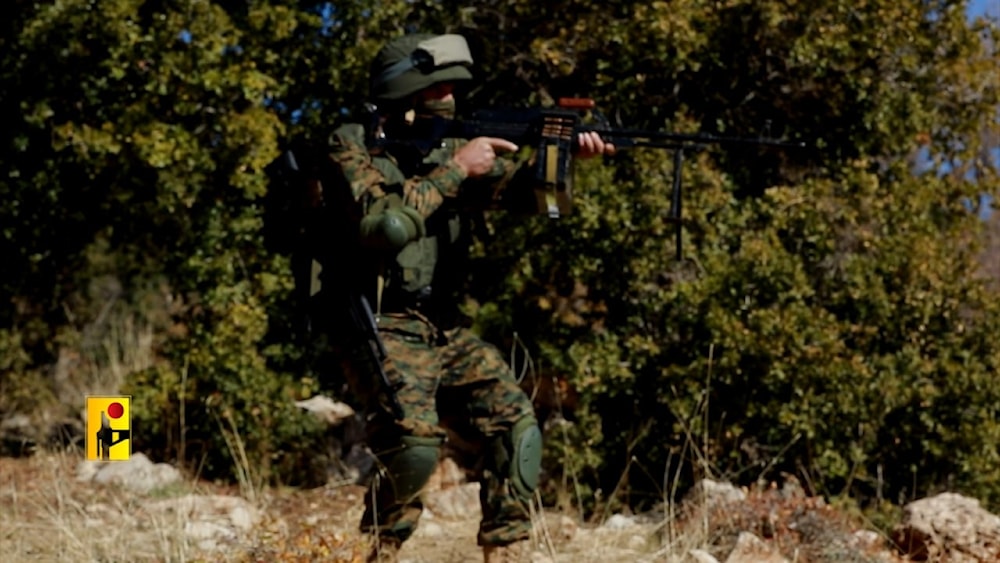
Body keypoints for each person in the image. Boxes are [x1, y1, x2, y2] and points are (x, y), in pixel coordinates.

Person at [314, 32, 614, 563]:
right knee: (412, 448)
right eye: (439, 88)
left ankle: (505, 551)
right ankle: (379, 553)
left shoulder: (453, 144)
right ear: (406, 92)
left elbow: (526, 193)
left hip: (441, 324)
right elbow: (383, 226)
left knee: (515, 426)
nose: (449, 97)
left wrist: (566, 155)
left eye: (454, 86)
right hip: (379, 322)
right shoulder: (351, 143)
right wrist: (457, 169)